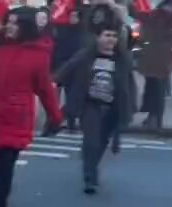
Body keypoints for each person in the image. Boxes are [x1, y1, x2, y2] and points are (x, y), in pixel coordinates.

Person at [0, 6, 63, 207]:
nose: (10, 27)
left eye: (15, 23)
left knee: (3, 172)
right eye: (8, 22)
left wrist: (55, 116)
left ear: (26, 26)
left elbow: (44, 88)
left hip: (15, 118)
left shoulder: (38, 54)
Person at [55, 15, 134, 195]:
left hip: (112, 108)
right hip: (90, 104)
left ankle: (91, 166)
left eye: (114, 36)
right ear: (98, 37)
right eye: (107, 35)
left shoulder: (122, 60)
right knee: (91, 140)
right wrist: (53, 82)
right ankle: (90, 176)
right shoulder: (87, 56)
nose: (110, 40)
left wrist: (129, 108)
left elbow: (129, 86)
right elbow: (67, 70)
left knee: (100, 143)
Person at [138, 0, 172, 131]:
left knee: (158, 89)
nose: (168, 9)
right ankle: (152, 115)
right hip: (152, 58)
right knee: (152, 88)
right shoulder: (154, 17)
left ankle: (155, 117)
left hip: (163, 59)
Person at [51, 9, 84, 130]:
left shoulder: (82, 32)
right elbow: (57, 47)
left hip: (75, 68)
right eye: (71, 16)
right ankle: (54, 119)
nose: (72, 18)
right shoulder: (62, 30)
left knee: (72, 95)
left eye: (75, 16)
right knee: (57, 95)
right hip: (62, 65)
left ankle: (71, 120)